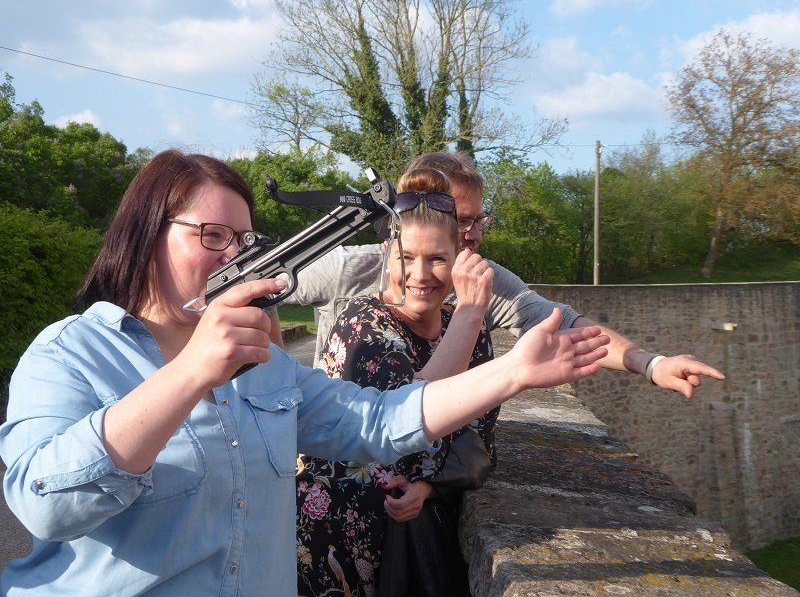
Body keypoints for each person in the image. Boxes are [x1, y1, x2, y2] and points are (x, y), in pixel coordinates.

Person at [0, 149, 610, 597]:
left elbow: (378, 422)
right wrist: (190, 372)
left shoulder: (262, 367)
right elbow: (44, 507)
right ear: (145, 235)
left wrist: (513, 372)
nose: (234, 255)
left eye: (242, 239)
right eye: (212, 235)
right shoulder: (69, 354)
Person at [286, 151, 725, 397]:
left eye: (480, 220)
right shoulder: (352, 269)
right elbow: (253, 290)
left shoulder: (483, 281)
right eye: (459, 220)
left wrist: (650, 363)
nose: (473, 236)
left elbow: (565, 324)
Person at [296, 168, 493, 596]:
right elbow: (406, 431)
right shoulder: (364, 323)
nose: (420, 274)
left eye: (437, 258)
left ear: (460, 257)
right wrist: (470, 318)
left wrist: (428, 486)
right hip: (333, 541)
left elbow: (479, 439)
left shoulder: (471, 330)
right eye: (406, 257)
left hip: (404, 542)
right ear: (388, 254)